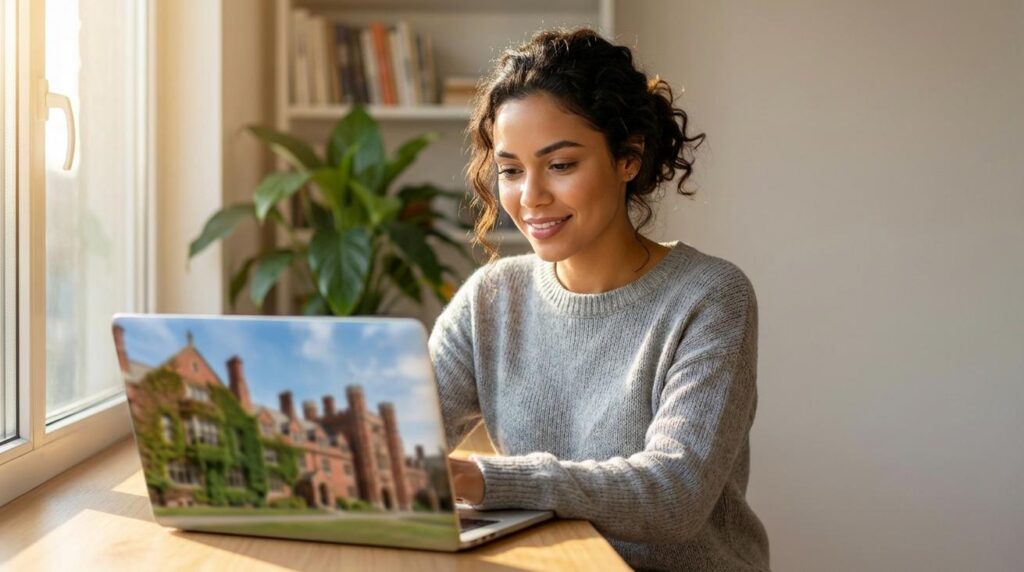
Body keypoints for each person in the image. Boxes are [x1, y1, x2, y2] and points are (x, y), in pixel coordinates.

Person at [428, 27, 770, 571]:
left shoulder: (709, 297)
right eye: (512, 170)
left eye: (561, 165)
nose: (531, 197)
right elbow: (400, 440)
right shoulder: (492, 297)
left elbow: (674, 494)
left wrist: (484, 477)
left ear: (628, 157)